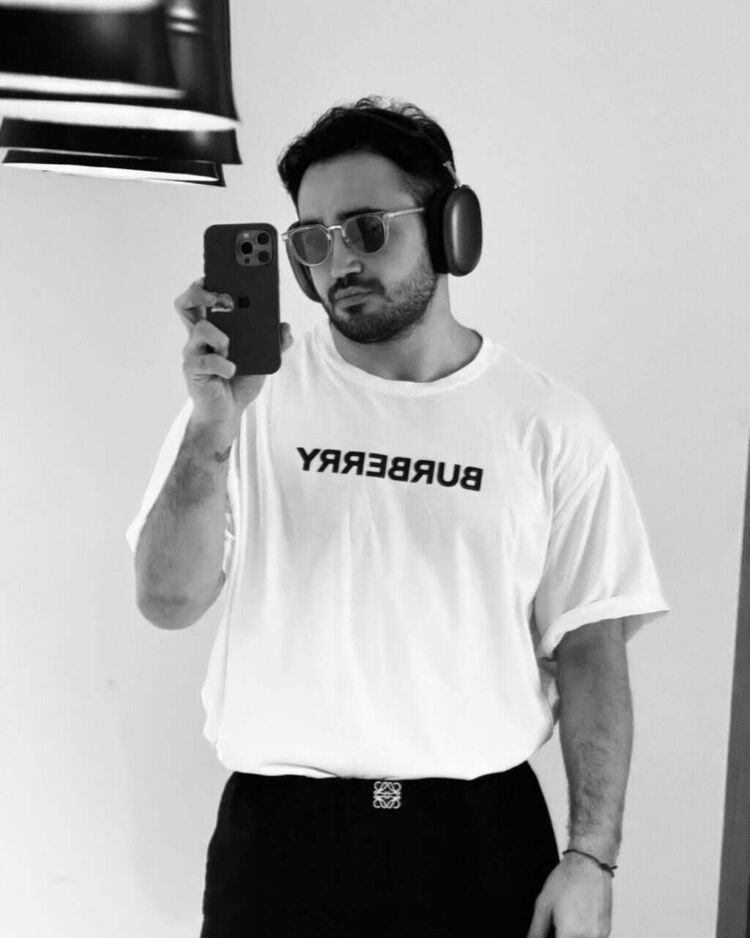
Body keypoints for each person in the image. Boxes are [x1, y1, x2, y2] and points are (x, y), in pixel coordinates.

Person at [126, 95, 671, 938]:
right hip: (281, 847)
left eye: (367, 228)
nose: (339, 259)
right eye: (312, 240)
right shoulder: (245, 403)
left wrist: (591, 858)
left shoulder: (548, 425)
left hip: (479, 844)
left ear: (453, 228)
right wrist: (210, 430)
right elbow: (166, 601)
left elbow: (591, 649)